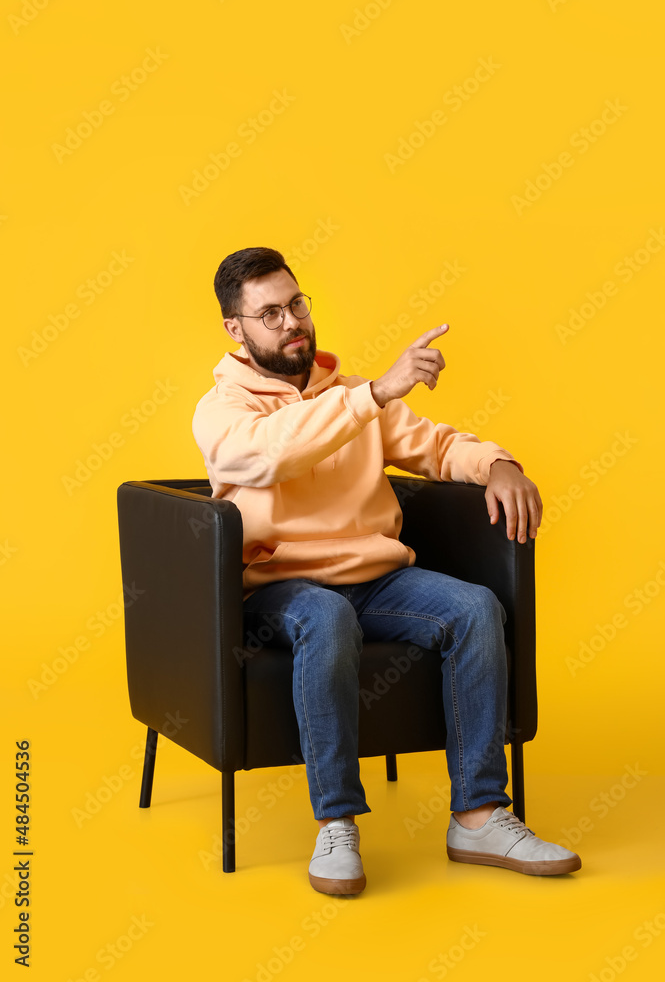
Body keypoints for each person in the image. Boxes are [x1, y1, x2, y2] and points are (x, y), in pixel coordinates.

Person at [192, 246, 582, 895]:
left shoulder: (352, 398)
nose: (290, 321)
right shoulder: (223, 409)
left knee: (475, 608)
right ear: (236, 329)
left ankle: (478, 816)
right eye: (269, 313)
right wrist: (373, 394)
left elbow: (435, 445)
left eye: (296, 304)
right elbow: (267, 457)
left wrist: (497, 466)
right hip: (279, 587)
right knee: (325, 613)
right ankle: (337, 822)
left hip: (374, 580)